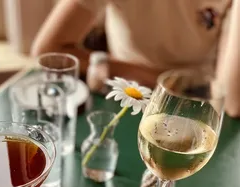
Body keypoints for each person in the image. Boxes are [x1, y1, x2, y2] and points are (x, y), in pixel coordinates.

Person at [31, 0, 240, 117]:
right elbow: (47, 50)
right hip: (128, 95)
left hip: (201, 105)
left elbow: (234, 103)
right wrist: (165, 83)